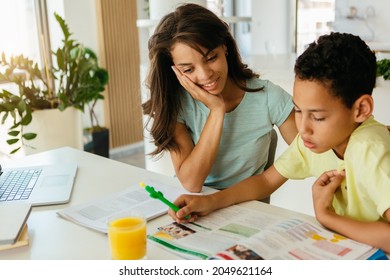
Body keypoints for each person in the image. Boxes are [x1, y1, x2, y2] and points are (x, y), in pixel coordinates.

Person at [169, 32, 390, 253]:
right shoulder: (315, 142)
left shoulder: (371, 149)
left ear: (361, 109)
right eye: (298, 111)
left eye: (318, 117)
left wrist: (326, 216)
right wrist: (211, 202)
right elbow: (265, 181)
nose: (303, 129)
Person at [142, 3, 297, 193]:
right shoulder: (177, 104)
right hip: (192, 204)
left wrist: (267, 181)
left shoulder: (267, 97)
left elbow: (311, 151)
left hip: (242, 208)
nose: (205, 75)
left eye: (211, 58)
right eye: (188, 69)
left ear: (224, 47)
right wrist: (216, 111)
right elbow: (191, 183)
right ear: (175, 70)